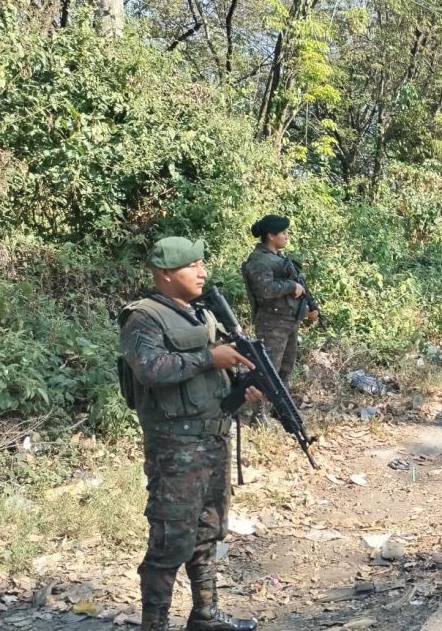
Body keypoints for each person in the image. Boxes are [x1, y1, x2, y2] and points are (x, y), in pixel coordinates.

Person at [118, 237, 262, 631]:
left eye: (202, 263)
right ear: (166, 273)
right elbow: (150, 369)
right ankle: (155, 625)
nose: (202, 272)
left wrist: (240, 390)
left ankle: (205, 614)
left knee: (207, 532)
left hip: (212, 439)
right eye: (192, 265)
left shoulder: (201, 313)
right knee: (170, 541)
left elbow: (211, 380)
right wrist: (208, 358)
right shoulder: (143, 318)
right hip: (175, 447)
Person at [241, 215, 318, 385]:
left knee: (285, 370)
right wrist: (291, 286)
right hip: (272, 323)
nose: (286, 236)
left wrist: (309, 307)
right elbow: (265, 289)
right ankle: (258, 403)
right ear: (271, 235)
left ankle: (281, 402)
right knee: (268, 374)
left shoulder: (279, 259)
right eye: (283, 232)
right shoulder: (258, 261)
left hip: (288, 321)